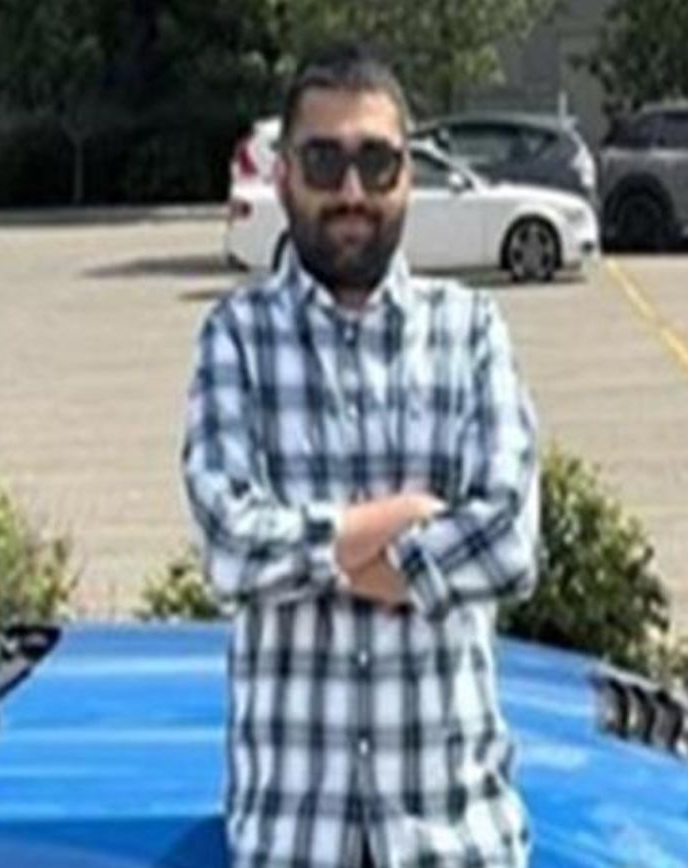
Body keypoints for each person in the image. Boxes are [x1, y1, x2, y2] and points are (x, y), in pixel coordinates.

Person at [181, 42, 541, 868]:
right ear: (283, 177)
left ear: (408, 175)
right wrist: (404, 521)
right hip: (294, 842)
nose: (351, 191)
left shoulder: (471, 332)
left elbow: (509, 543)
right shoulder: (236, 338)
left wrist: (316, 558)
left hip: (455, 841)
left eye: (376, 163)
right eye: (324, 161)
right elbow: (230, 546)